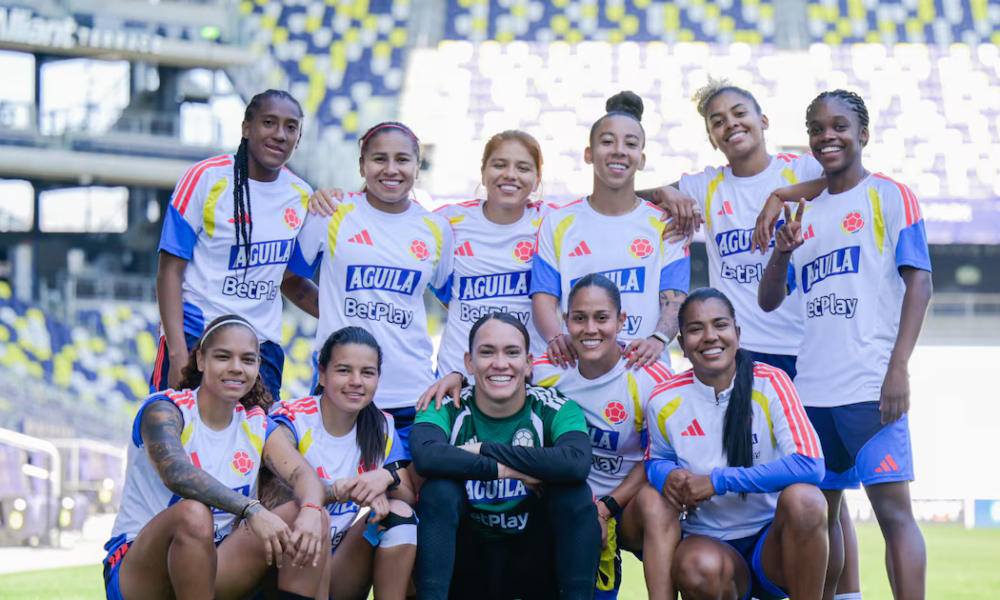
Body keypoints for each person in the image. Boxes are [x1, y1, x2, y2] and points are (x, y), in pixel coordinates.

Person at [644, 79, 864, 600]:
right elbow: (633, 191)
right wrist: (667, 192)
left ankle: (845, 592)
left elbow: (843, 180)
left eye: (739, 113)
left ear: (764, 121)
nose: (730, 124)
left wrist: (781, 196)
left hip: (804, 349)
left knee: (823, 488)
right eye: (717, 120)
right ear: (712, 136)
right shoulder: (707, 186)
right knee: (746, 466)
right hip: (736, 350)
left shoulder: (798, 170)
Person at [758, 90, 933, 600]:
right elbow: (770, 301)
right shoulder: (804, 212)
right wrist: (781, 254)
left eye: (839, 125)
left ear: (863, 133)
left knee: (894, 516)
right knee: (824, 513)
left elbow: (919, 283)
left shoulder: (889, 195)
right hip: (812, 391)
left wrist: (898, 367)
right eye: (816, 127)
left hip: (871, 385)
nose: (826, 135)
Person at [104, 315, 329, 600]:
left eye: (248, 360)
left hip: (214, 563)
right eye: (224, 357)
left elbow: (303, 475)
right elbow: (176, 472)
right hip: (141, 570)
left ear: (258, 366)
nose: (236, 368)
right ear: (200, 360)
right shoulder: (165, 409)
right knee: (193, 515)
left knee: (312, 516)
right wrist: (252, 509)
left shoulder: (256, 424)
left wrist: (310, 509)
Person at [646, 288, 828, 600]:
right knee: (696, 568)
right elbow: (655, 459)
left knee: (807, 500)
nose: (709, 336)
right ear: (682, 346)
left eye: (720, 325)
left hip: (774, 544)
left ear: (738, 334)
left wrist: (718, 481)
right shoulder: (663, 398)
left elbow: (810, 464)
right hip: (710, 540)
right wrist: (667, 475)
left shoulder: (772, 382)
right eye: (695, 329)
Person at [286, 121, 454, 452]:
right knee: (335, 494)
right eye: (379, 159)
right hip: (341, 392)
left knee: (406, 495)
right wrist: (335, 313)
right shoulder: (330, 212)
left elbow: (456, 303)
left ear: (418, 167)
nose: (391, 169)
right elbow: (290, 281)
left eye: (403, 159)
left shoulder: (436, 228)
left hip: (412, 395)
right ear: (362, 165)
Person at [410, 312, 600, 600]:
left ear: (528, 363)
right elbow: (427, 457)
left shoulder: (555, 407)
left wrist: (485, 449)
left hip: (533, 556)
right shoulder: (445, 404)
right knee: (438, 491)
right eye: (487, 352)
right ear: (469, 363)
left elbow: (576, 463)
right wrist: (509, 470)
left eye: (512, 352)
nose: (500, 363)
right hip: (466, 557)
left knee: (575, 495)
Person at [152, 89, 320, 401]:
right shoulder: (205, 178)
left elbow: (291, 281)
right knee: (174, 438)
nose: (280, 134)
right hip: (196, 336)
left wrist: (346, 314)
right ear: (246, 128)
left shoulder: (301, 196)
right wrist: (178, 355)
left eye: (291, 127)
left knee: (255, 444)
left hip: (261, 347)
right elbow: (169, 273)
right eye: (269, 122)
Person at [531, 91, 690, 372]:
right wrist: (555, 337)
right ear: (588, 154)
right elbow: (544, 296)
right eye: (607, 142)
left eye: (630, 144)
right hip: (577, 375)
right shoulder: (558, 223)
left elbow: (675, 298)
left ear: (641, 159)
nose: (618, 150)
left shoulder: (665, 224)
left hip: (644, 373)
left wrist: (658, 339)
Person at [270, 327, 416, 600]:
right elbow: (274, 503)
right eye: (344, 370)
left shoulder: (382, 426)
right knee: (317, 518)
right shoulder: (291, 419)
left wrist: (385, 478)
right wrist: (345, 489)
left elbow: (407, 495)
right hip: (283, 557)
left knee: (400, 513)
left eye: (367, 373)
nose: (356, 381)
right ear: (322, 374)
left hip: (340, 563)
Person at [432, 130, 557, 376]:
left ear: (538, 178)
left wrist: (656, 196)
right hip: (457, 377)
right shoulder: (448, 220)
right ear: (483, 171)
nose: (510, 175)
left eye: (523, 168)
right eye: (500, 165)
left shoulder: (553, 221)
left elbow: (607, 213)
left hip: (533, 378)